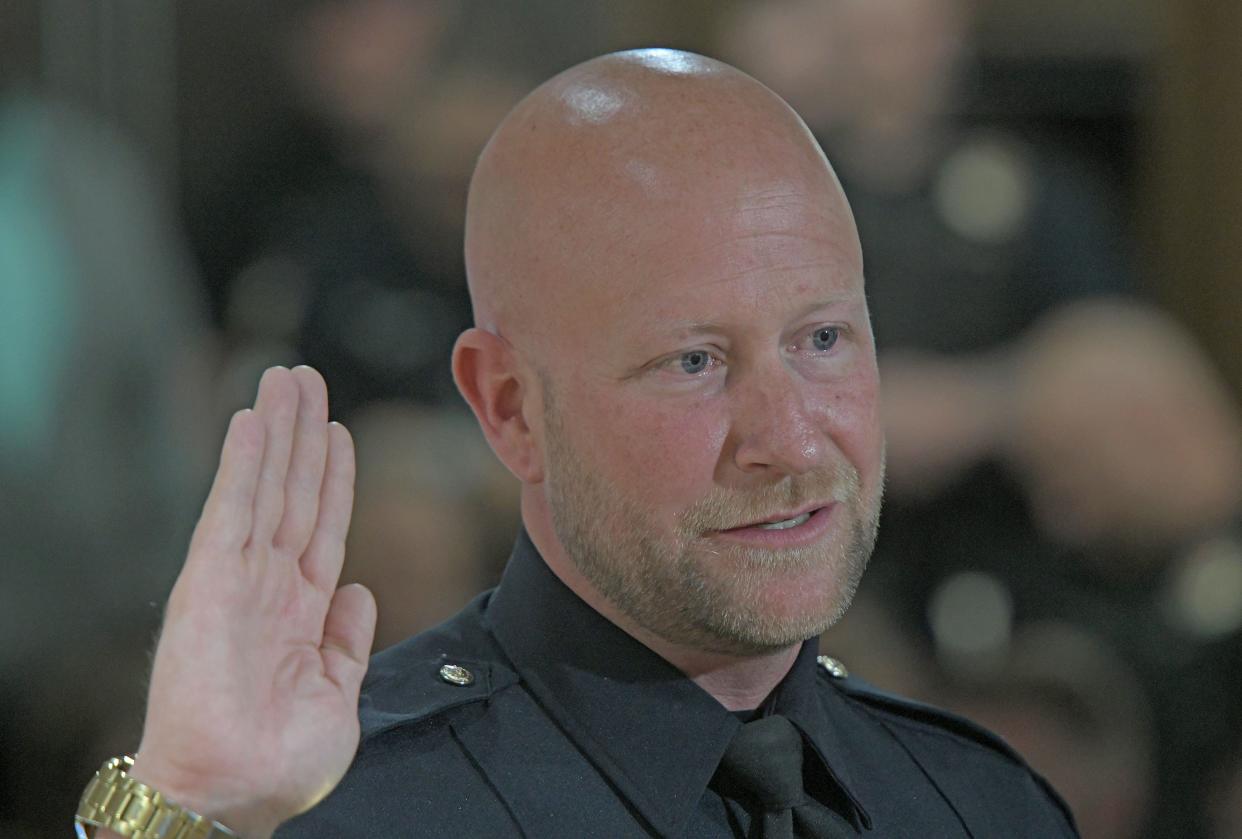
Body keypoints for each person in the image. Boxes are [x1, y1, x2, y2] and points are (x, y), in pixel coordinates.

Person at [78, 50, 1077, 837]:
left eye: (822, 339)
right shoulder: (329, 808)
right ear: (511, 407)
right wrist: (183, 808)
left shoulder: (982, 806)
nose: (788, 439)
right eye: (693, 361)